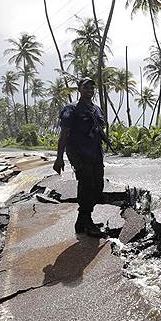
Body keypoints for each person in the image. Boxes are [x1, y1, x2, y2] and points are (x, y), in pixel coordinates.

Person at [53, 78, 108, 238]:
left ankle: (82, 220)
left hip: (96, 153)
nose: (89, 89)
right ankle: (87, 222)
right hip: (79, 154)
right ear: (79, 89)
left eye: (92, 87)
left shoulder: (97, 109)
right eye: (86, 87)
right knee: (87, 185)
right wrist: (59, 157)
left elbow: (99, 129)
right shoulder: (71, 109)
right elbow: (64, 134)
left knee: (98, 186)